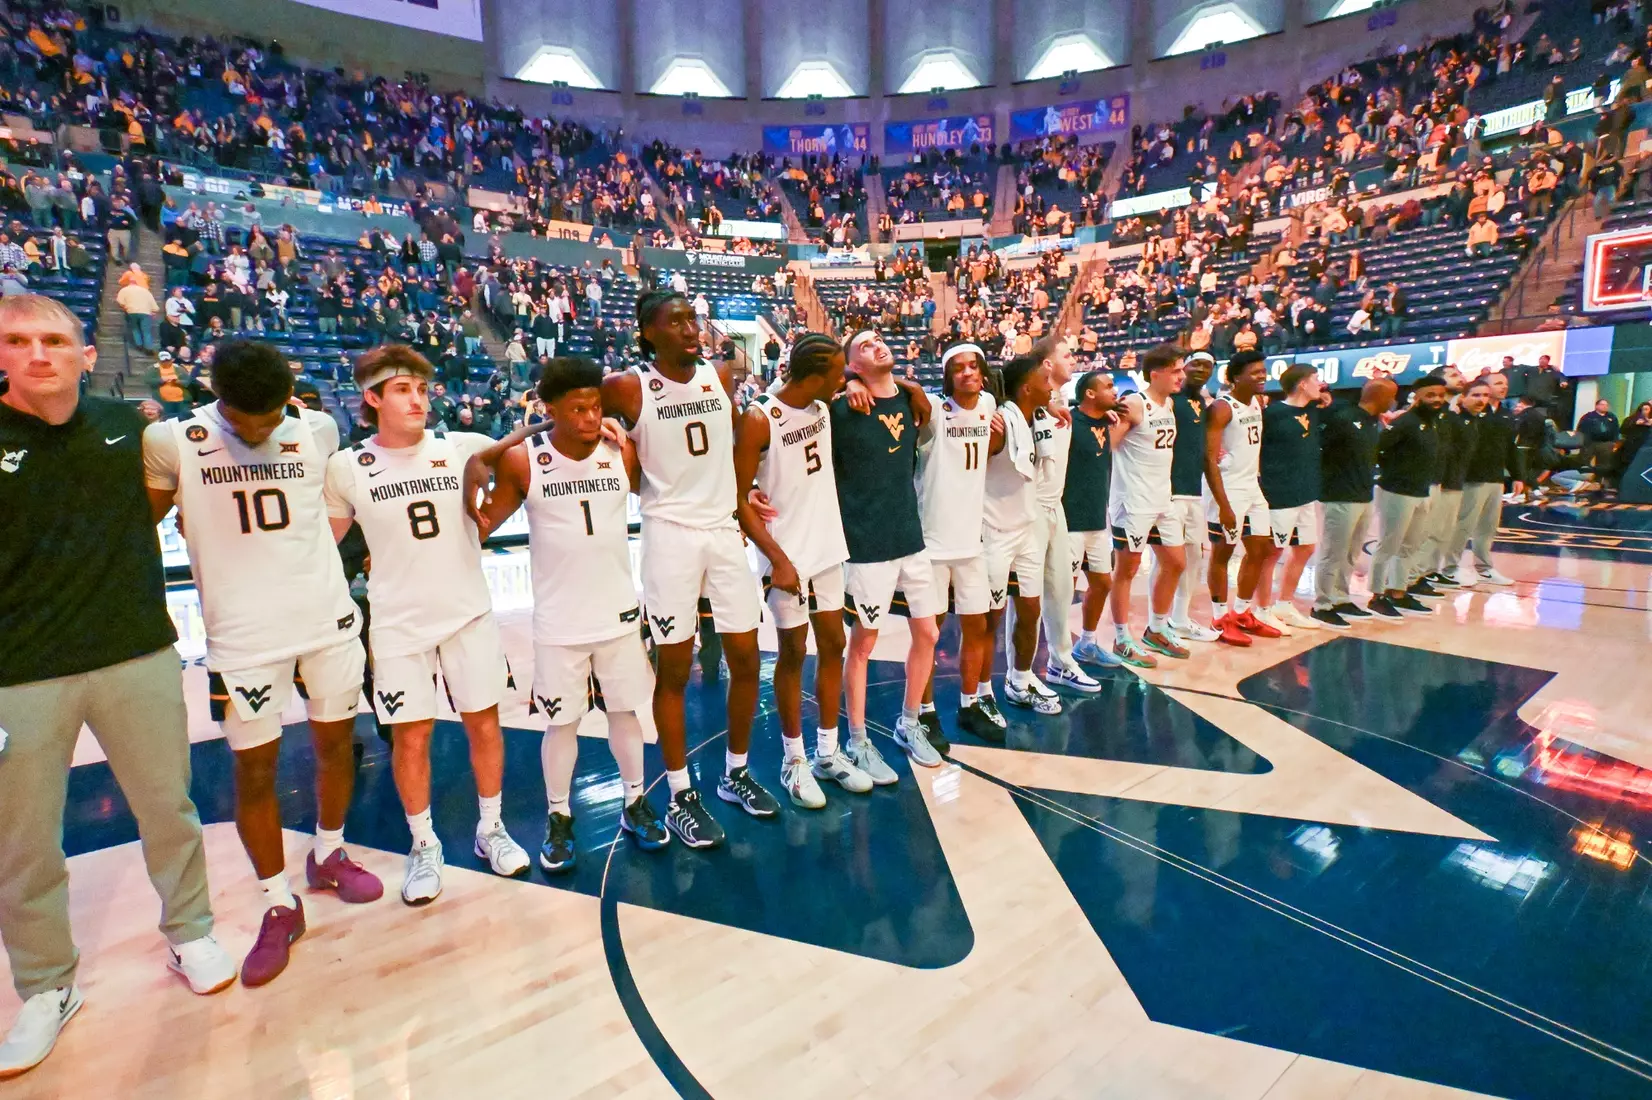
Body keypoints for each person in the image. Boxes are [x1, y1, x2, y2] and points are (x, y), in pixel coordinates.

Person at [0, 295, 236, 1080]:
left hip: (135, 653)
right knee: (24, 842)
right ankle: (47, 986)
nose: (38, 354)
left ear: (86, 353)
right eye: (18, 341)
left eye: (54, 340)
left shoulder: (130, 430)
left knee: (169, 809)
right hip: (18, 673)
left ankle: (191, 932)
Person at [143, 339, 383, 988]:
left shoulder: (318, 428)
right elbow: (137, 529)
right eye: (249, 420)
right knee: (255, 771)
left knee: (337, 747)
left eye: (273, 416)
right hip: (243, 639)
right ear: (219, 398)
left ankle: (329, 853)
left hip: (327, 623)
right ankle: (279, 902)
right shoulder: (174, 441)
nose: (262, 429)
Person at [322, 345, 529, 905]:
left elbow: (524, 453)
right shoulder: (346, 467)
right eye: (402, 390)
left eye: (421, 389)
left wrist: (490, 517)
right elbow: (326, 544)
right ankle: (423, 844)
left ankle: (491, 829)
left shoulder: (458, 445)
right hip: (397, 622)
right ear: (371, 398)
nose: (418, 400)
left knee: (484, 724)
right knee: (411, 737)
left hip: (467, 612)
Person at [472, 358, 670, 869]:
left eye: (596, 407)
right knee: (562, 723)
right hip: (559, 621)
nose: (590, 417)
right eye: (577, 409)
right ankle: (558, 817)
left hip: (618, 612)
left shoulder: (619, 450)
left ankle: (635, 802)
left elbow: (670, 484)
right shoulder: (524, 461)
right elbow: (481, 524)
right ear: (551, 409)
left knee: (626, 713)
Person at [601, 290, 771, 849]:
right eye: (675, 322)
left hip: (723, 530)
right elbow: (571, 410)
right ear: (648, 332)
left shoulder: (719, 376)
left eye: (692, 320)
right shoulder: (628, 386)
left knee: (746, 659)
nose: (690, 329)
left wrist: (748, 490)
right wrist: (611, 439)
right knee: (674, 669)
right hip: (669, 534)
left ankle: (735, 773)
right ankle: (679, 795)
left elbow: (738, 437)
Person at [733, 333, 864, 804]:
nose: (843, 379)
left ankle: (827, 752)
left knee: (834, 644)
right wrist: (778, 559)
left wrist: (855, 386)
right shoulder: (759, 418)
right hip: (785, 557)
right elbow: (737, 496)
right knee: (793, 652)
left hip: (826, 547)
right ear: (814, 376)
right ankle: (794, 761)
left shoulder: (822, 409)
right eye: (838, 374)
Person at [834, 329, 944, 772]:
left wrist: (908, 385)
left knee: (929, 633)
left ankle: (909, 722)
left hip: (910, 537)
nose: (877, 344)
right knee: (863, 643)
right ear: (853, 365)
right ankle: (858, 740)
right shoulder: (842, 408)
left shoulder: (913, 400)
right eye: (864, 345)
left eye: (878, 338)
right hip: (866, 543)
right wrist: (848, 382)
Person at [915, 344, 1002, 741]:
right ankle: (925, 711)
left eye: (973, 366)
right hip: (932, 541)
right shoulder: (934, 408)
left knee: (977, 625)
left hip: (972, 540)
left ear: (983, 373)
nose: (967, 373)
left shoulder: (988, 404)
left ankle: (970, 705)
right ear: (947, 376)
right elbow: (904, 389)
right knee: (928, 634)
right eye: (958, 368)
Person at [983, 353, 1064, 715]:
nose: (1051, 386)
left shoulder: (1039, 419)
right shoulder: (1001, 422)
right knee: (989, 619)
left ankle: (1020, 680)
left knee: (1030, 610)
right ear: (1027, 388)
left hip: (1027, 528)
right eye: (1044, 381)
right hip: (994, 530)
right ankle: (982, 693)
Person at [1107, 344, 1189, 667]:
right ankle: (1121, 638)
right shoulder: (1134, 404)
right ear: (1155, 374)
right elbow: (1109, 445)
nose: (1181, 376)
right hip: (1133, 501)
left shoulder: (1169, 403)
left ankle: (1156, 629)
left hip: (1162, 499)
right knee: (1126, 570)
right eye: (1175, 371)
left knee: (1176, 563)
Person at [1030, 339, 1104, 696]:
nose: (1073, 360)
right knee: (1025, 598)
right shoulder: (1028, 403)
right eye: (1066, 355)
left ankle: (1061, 662)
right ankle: (1020, 674)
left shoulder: (1063, 404)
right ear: (1047, 364)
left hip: (1057, 508)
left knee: (1061, 590)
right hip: (1027, 509)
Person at [1202, 350, 1279, 645]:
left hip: (1251, 486)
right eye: (1255, 372)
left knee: (1260, 549)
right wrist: (1223, 505)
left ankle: (1243, 612)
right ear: (1235, 377)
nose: (1262, 376)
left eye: (1263, 371)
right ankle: (1220, 618)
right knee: (1223, 552)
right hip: (1228, 487)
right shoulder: (1222, 408)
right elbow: (1209, 459)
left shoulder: (1257, 402)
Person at [1311, 377, 1396, 628]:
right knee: (1332, 552)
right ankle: (1322, 605)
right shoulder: (1343, 418)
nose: (1394, 401)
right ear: (1379, 396)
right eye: (1391, 396)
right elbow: (1319, 449)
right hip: (1339, 494)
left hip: (1363, 494)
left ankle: (1340, 597)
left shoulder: (1373, 421)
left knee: (1350, 553)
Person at [1368, 373, 1450, 619]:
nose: (1436, 400)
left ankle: (1398, 591)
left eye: (1440, 395)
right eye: (1430, 395)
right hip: (1396, 491)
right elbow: (1379, 449)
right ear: (1417, 397)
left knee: (1410, 546)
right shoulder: (1405, 422)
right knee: (1388, 545)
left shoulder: (1432, 422)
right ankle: (1376, 595)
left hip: (1421, 491)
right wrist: (1394, 473)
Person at [1255, 363, 1327, 632]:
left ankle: (1284, 605)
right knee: (1271, 553)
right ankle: (1262, 610)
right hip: (1279, 493)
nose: (1320, 384)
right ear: (1302, 384)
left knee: (1306, 547)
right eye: (1316, 379)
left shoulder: (1313, 409)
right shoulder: (1273, 414)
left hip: (1305, 493)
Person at [1158, 352, 1223, 644]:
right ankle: (1157, 624)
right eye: (1195, 364)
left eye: (1207, 366)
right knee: (1168, 561)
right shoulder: (1170, 399)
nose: (1200, 370)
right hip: (1168, 491)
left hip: (1193, 491)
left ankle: (1180, 619)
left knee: (1194, 557)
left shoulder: (1202, 403)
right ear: (1182, 367)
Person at [1065, 370, 1124, 668]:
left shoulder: (1106, 419)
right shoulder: (1068, 421)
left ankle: (1086, 644)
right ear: (1089, 393)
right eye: (1108, 386)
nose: (1115, 391)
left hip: (1098, 520)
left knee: (1102, 583)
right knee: (1064, 592)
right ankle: (1059, 655)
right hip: (1069, 521)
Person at [1445, 375, 1519, 587]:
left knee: (1488, 527)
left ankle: (1484, 568)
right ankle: (1449, 567)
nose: (1504, 387)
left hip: (1495, 477)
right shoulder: (1467, 415)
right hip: (1471, 478)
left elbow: (1511, 447)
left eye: (1505, 383)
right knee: (1464, 524)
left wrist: (1519, 475)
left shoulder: (1506, 415)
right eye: (1498, 383)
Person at [1416, 368, 1480, 589]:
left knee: (1443, 531)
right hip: (1431, 480)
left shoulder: (1456, 414)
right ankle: (1417, 575)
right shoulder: (1430, 412)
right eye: (1453, 375)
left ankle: (1431, 571)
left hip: (1452, 479)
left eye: (1460, 374)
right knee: (1426, 531)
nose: (1460, 378)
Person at [1577, 398, 1620, 472]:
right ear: (1596, 406)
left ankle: (1599, 477)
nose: (1605, 406)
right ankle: (1583, 475)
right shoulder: (1588, 416)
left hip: (1606, 443)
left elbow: (1616, 430)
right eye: (1602, 404)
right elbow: (1581, 429)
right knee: (1584, 462)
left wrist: (1615, 442)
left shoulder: (1612, 417)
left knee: (1604, 464)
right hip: (1590, 443)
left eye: (1606, 405)